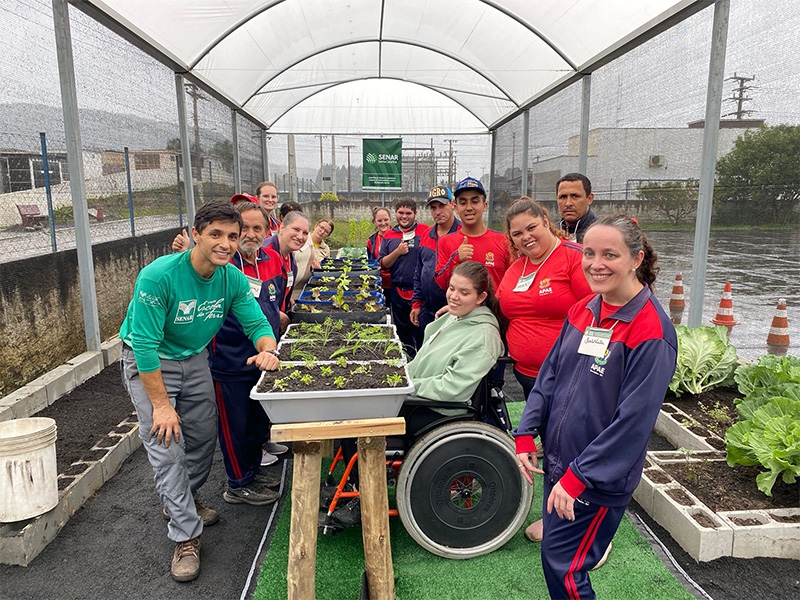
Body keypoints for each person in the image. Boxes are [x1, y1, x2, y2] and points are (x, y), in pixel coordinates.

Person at [515, 215, 677, 599]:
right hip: (560, 463)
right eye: (589, 253)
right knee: (557, 559)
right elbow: (551, 374)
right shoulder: (585, 308)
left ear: (636, 259)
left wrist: (579, 476)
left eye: (610, 255)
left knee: (565, 567)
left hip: (595, 480)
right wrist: (526, 432)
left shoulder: (651, 331)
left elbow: (633, 424)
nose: (595, 264)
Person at [119, 200, 280, 582]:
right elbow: (144, 344)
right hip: (150, 361)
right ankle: (185, 536)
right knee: (167, 446)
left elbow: (256, 322)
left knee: (205, 438)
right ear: (196, 234)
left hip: (193, 359)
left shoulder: (231, 278)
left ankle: (181, 501)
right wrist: (161, 406)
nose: (225, 243)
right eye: (215, 234)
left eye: (232, 236)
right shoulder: (158, 277)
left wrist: (268, 349)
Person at [331, 261, 505, 526]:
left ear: (481, 297)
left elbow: (453, 389)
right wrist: (396, 378)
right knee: (355, 406)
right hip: (421, 395)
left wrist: (406, 386)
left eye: (464, 292)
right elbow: (424, 362)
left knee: (361, 419)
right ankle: (356, 485)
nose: (454, 296)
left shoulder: (482, 336)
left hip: (439, 410)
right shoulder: (454, 318)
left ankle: (364, 496)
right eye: (452, 288)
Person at [208, 202, 293, 507]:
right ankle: (238, 483)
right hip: (231, 359)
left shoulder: (271, 259)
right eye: (244, 228)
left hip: (264, 355)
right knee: (235, 426)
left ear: (267, 231)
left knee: (258, 422)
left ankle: (253, 472)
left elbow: (274, 301)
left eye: (258, 228)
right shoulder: (224, 267)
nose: (251, 234)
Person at [497, 198, 592, 399]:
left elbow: (598, 313)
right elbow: (496, 306)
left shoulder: (575, 258)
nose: (526, 237)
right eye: (517, 234)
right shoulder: (516, 267)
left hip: (566, 375)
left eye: (531, 227)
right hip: (525, 375)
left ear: (546, 222)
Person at [435, 177, 510, 292]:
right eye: (463, 203)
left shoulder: (503, 241)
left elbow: (513, 281)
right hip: (459, 304)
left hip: (494, 304)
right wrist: (456, 259)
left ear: (485, 206)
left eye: (475, 202)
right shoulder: (446, 242)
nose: (469, 208)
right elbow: (441, 283)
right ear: (456, 207)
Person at [379, 198, 430, 356]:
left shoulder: (426, 232)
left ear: (415, 213)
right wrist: (398, 252)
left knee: (422, 330)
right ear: (395, 213)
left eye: (408, 213)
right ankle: (407, 359)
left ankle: (421, 359)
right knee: (402, 330)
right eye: (401, 212)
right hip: (398, 291)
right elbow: (383, 263)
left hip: (420, 292)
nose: (404, 216)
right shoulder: (389, 235)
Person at [410, 186, 460, 333]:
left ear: (452, 205)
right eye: (433, 208)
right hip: (427, 308)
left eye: (442, 206)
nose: (438, 212)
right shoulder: (427, 235)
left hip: (455, 310)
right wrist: (416, 303)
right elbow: (419, 271)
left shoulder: (463, 234)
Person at [292, 218, 333, 301]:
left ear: (328, 235)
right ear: (315, 226)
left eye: (326, 231)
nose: (322, 231)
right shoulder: (301, 240)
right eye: (321, 227)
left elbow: (325, 269)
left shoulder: (326, 249)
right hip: (295, 286)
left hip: (311, 287)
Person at [556, 173, 597, 243]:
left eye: (575, 196)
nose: (568, 203)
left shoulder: (603, 233)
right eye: (563, 197)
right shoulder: (551, 233)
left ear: (589, 198)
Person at [366, 206, 392, 300]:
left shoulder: (399, 237)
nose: (383, 223)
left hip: (397, 284)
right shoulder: (371, 241)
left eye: (386, 220)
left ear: (390, 220)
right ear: (374, 222)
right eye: (379, 221)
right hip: (380, 284)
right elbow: (371, 263)